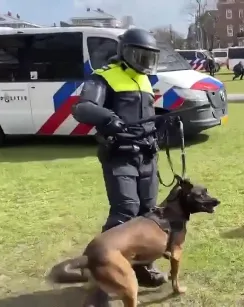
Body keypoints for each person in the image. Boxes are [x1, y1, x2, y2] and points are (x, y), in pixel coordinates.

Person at [71, 27, 172, 305]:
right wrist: (107, 117)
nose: (145, 61)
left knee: (148, 216)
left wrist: (162, 119)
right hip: (119, 156)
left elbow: (144, 113)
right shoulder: (103, 76)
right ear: (124, 53)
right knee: (124, 213)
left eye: (149, 57)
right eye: (140, 55)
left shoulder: (145, 80)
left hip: (147, 156)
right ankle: (100, 280)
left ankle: (142, 267)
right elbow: (81, 108)